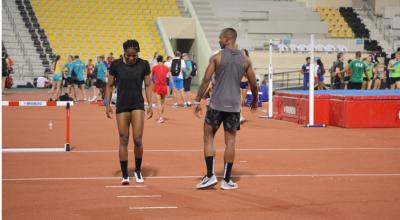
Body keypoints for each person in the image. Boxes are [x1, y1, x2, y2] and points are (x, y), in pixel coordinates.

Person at [194, 28, 258, 190]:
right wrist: (255, 101)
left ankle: (210, 176)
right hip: (234, 106)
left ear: (227, 39)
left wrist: (197, 101)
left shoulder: (217, 57)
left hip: (216, 104)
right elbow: (254, 84)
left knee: (208, 137)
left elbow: (205, 80)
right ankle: (227, 180)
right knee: (230, 141)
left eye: (220, 38)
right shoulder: (245, 60)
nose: (218, 41)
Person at [105, 39, 153, 185]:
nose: (132, 58)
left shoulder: (144, 64)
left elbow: (149, 85)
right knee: (123, 138)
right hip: (122, 105)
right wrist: (107, 104)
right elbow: (109, 85)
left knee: (138, 139)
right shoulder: (116, 65)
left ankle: (138, 171)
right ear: (124, 53)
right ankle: (125, 174)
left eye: (134, 56)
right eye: (128, 56)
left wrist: (151, 104)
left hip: (137, 104)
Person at [152, 55, 170, 123]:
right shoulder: (166, 68)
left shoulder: (154, 68)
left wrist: (153, 82)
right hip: (164, 86)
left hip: (157, 86)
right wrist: (173, 85)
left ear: (157, 60)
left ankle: (160, 117)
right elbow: (170, 77)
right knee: (162, 103)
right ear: (162, 60)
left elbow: (151, 77)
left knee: (158, 103)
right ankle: (161, 116)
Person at [240, 49, 250, 123]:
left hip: (245, 83)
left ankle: (240, 115)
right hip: (239, 83)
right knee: (239, 100)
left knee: (243, 101)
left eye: (244, 54)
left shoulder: (248, 63)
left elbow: (249, 74)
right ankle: (240, 116)